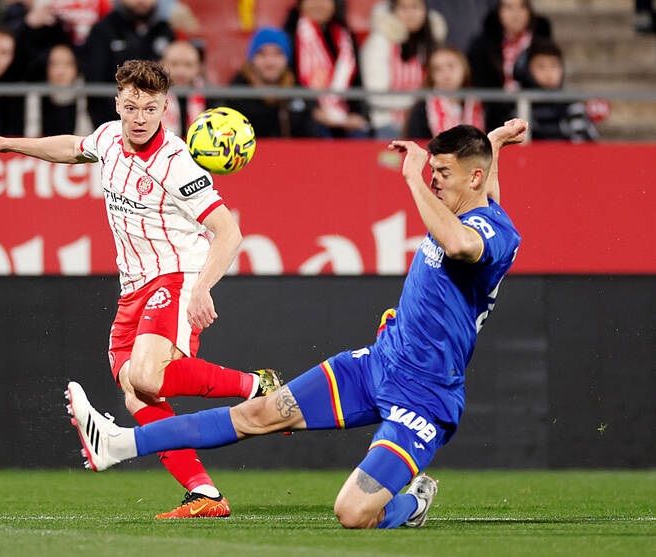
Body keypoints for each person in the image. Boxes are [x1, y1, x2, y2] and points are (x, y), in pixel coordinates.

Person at [64, 118, 528, 529]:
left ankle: (412, 505)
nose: (434, 179)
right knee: (256, 414)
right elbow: (482, 196)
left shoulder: (489, 233)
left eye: (443, 173)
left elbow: (463, 243)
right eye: (432, 172)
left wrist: (412, 178)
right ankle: (120, 444)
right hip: (376, 365)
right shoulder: (466, 206)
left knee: (353, 513)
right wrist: (494, 143)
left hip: (424, 396)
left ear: (473, 176)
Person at [0, 59, 282, 519]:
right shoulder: (108, 139)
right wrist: (8, 144)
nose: (139, 118)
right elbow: (71, 148)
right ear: (117, 103)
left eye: (150, 109)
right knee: (137, 393)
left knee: (148, 377)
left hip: (176, 275)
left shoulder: (176, 163)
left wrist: (202, 288)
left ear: (165, 108)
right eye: (132, 107)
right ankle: (205, 494)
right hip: (132, 286)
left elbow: (229, 231)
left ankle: (256, 385)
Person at [360, 0, 447, 138]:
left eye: (415, 7)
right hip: (391, 125)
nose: (410, 14)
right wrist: (419, 101)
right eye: (403, 8)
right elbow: (376, 95)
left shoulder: (431, 41)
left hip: (430, 122)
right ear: (393, 10)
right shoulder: (380, 41)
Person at [284, 0, 370, 138]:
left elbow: (357, 82)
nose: (318, 4)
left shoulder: (345, 37)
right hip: (307, 116)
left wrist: (357, 115)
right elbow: (289, 82)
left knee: (362, 133)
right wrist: (315, 112)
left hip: (345, 114)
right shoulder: (290, 36)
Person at [81, 0, 175, 126]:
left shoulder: (165, 30)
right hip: (111, 122)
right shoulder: (103, 30)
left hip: (158, 122)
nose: (141, 1)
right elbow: (94, 82)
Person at [467, 0, 552, 128]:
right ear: (499, 12)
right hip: (495, 119)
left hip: (539, 117)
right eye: (508, 7)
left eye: (521, 7)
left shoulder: (543, 43)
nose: (515, 14)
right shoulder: (482, 47)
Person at [220, 26, 315, 138]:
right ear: (252, 59)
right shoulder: (236, 94)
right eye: (262, 54)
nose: (270, 62)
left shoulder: (299, 92)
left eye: (277, 54)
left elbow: (315, 137)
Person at [516, 39, 598, 142]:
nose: (548, 73)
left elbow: (584, 146)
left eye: (554, 65)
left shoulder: (574, 106)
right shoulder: (521, 108)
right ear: (528, 71)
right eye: (541, 67)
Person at [405, 45, 484, 139]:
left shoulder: (480, 105)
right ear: (432, 76)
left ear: (464, 68)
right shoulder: (421, 110)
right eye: (438, 69)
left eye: (451, 66)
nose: (446, 74)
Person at [24, 43, 93, 137]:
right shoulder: (36, 97)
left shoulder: (90, 98)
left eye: (68, 64)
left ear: (76, 68)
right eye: (54, 64)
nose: (60, 71)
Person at [160, 39, 206, 137]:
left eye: (188, 65)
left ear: (199, 67)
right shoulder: (149, 97)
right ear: (162, 64)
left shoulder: (211, 96)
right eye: (174, 64)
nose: (181, 72)